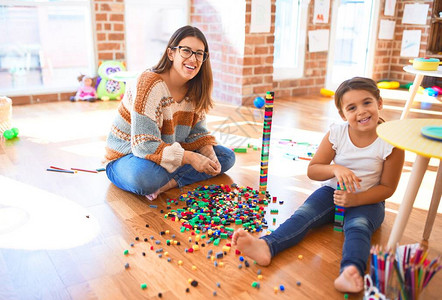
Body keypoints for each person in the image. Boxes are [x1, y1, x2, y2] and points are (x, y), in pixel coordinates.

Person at [232, 77, 405, 293]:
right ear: (343, 114)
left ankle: (351, 271)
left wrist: (356, 199)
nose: (361, 111)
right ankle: (267, 245)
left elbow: (388, 188)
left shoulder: (391, 143)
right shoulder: (337, 133)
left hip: (369, 200)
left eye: (367, 103)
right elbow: (313, 169)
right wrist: (335, 169)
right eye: (352, 107)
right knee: (302, 215)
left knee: (357, 230)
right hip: (332, 192)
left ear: (379, 103)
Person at [104, 25, 235, 200]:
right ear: (171, 53)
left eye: (199, 53)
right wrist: (190, 158)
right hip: (128, 156)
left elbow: (198, 133)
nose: (193, 59)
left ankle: (170, 183)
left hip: (167, 151)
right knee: (146, 178)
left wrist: (207, 151)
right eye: (186, 51)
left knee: (226, 157)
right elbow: (143, 145)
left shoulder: (196, 88)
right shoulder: (149, 83)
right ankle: (173, 174)